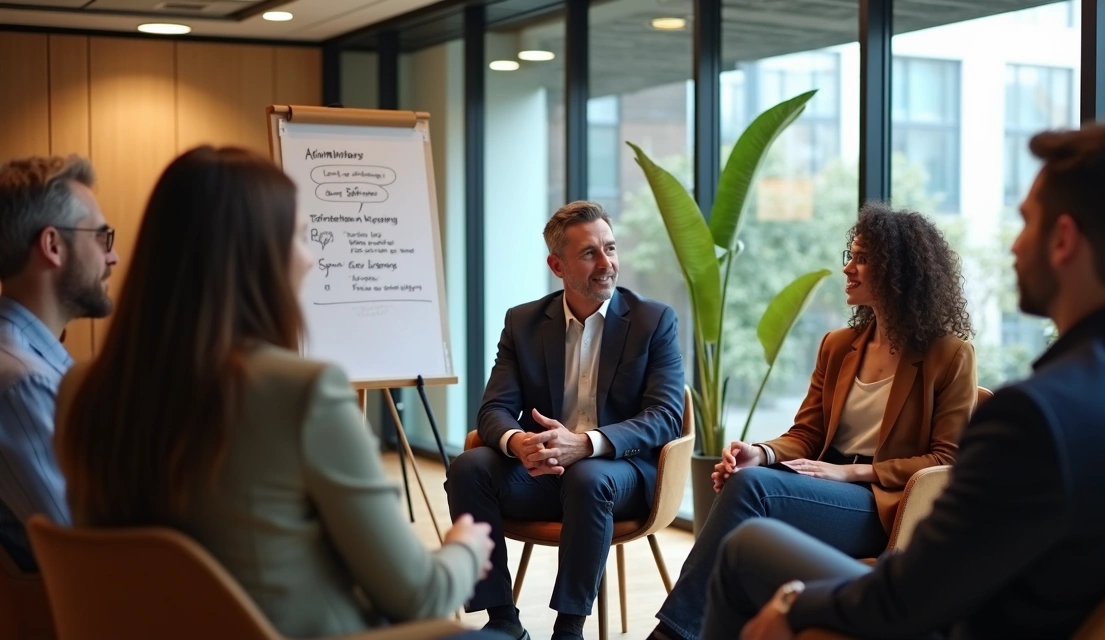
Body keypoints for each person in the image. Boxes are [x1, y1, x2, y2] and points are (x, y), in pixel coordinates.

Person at [702, 122, 1105, 640]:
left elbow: (907, 598)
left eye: (1026, 222)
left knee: (748, 551)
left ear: (1063, 240)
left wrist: (794, 601)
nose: (1015, 246)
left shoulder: (1036, 417)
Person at [53, 146, 496, 639]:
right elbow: (419, 593)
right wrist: (464, 546)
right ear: (257, 256)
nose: (311, 260)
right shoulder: (301, 393)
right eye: (302, 238)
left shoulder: (79, 391)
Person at [649, 203, 977, 640]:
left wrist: (851, 472)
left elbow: (947, 460)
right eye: (851, 255)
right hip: (823, 484)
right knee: (747, 483)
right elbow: (807, 434)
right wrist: (761, 452)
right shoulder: (839, 345)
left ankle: (673, 635)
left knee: (749, 490)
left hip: (883, 504)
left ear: (899, 271)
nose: (848, 268)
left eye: (863, 258)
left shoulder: (949, 355)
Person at [446, 200, 685, 640]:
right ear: (557, 265)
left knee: (588, 477)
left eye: (610, 249)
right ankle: (502, 620)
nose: (606, 263)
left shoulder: (654, 321)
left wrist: (588, 443)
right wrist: (519, 443)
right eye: (589, 253)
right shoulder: (524, 323)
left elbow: (666, 416)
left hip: (622, 473)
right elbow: (493, 409)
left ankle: (569, 628)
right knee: (468, 467)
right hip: (543, 471)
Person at [0, 155, 118, 571]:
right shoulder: (22, 384)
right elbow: (89, 550)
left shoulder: (31, 369)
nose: (113, 257)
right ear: (53, 245)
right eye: (102, 237)